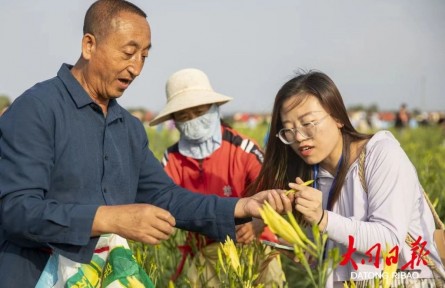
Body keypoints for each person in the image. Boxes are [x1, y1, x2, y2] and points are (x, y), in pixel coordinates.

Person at [0, 1, 291, 286]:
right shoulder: (36, 110)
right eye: (128, 53)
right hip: (35, 273)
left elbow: (168, 198)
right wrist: (110, 218)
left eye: (144, 57)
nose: (136, 68)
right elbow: (17, 210)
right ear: (89, 45)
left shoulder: (128, 128)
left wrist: (243, 206)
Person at [247, 70, 445, 287]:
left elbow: (389, 241)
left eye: (308, 123)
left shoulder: (381, 153)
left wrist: (323, 219)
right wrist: (310, 250)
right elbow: (342, 249)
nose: (299, 137)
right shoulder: (313, 174)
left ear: (338, 117)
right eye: (289, 129)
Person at [149, 68, 285, 287]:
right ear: (174, 120)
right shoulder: (171, 159)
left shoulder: (243, 150)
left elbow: (274, 196)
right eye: (184, 116)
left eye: (199, 111)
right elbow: (156, 201)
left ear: (215, 109)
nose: (193, 120)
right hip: (203, 253)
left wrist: (258, 223)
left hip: (254, 244)